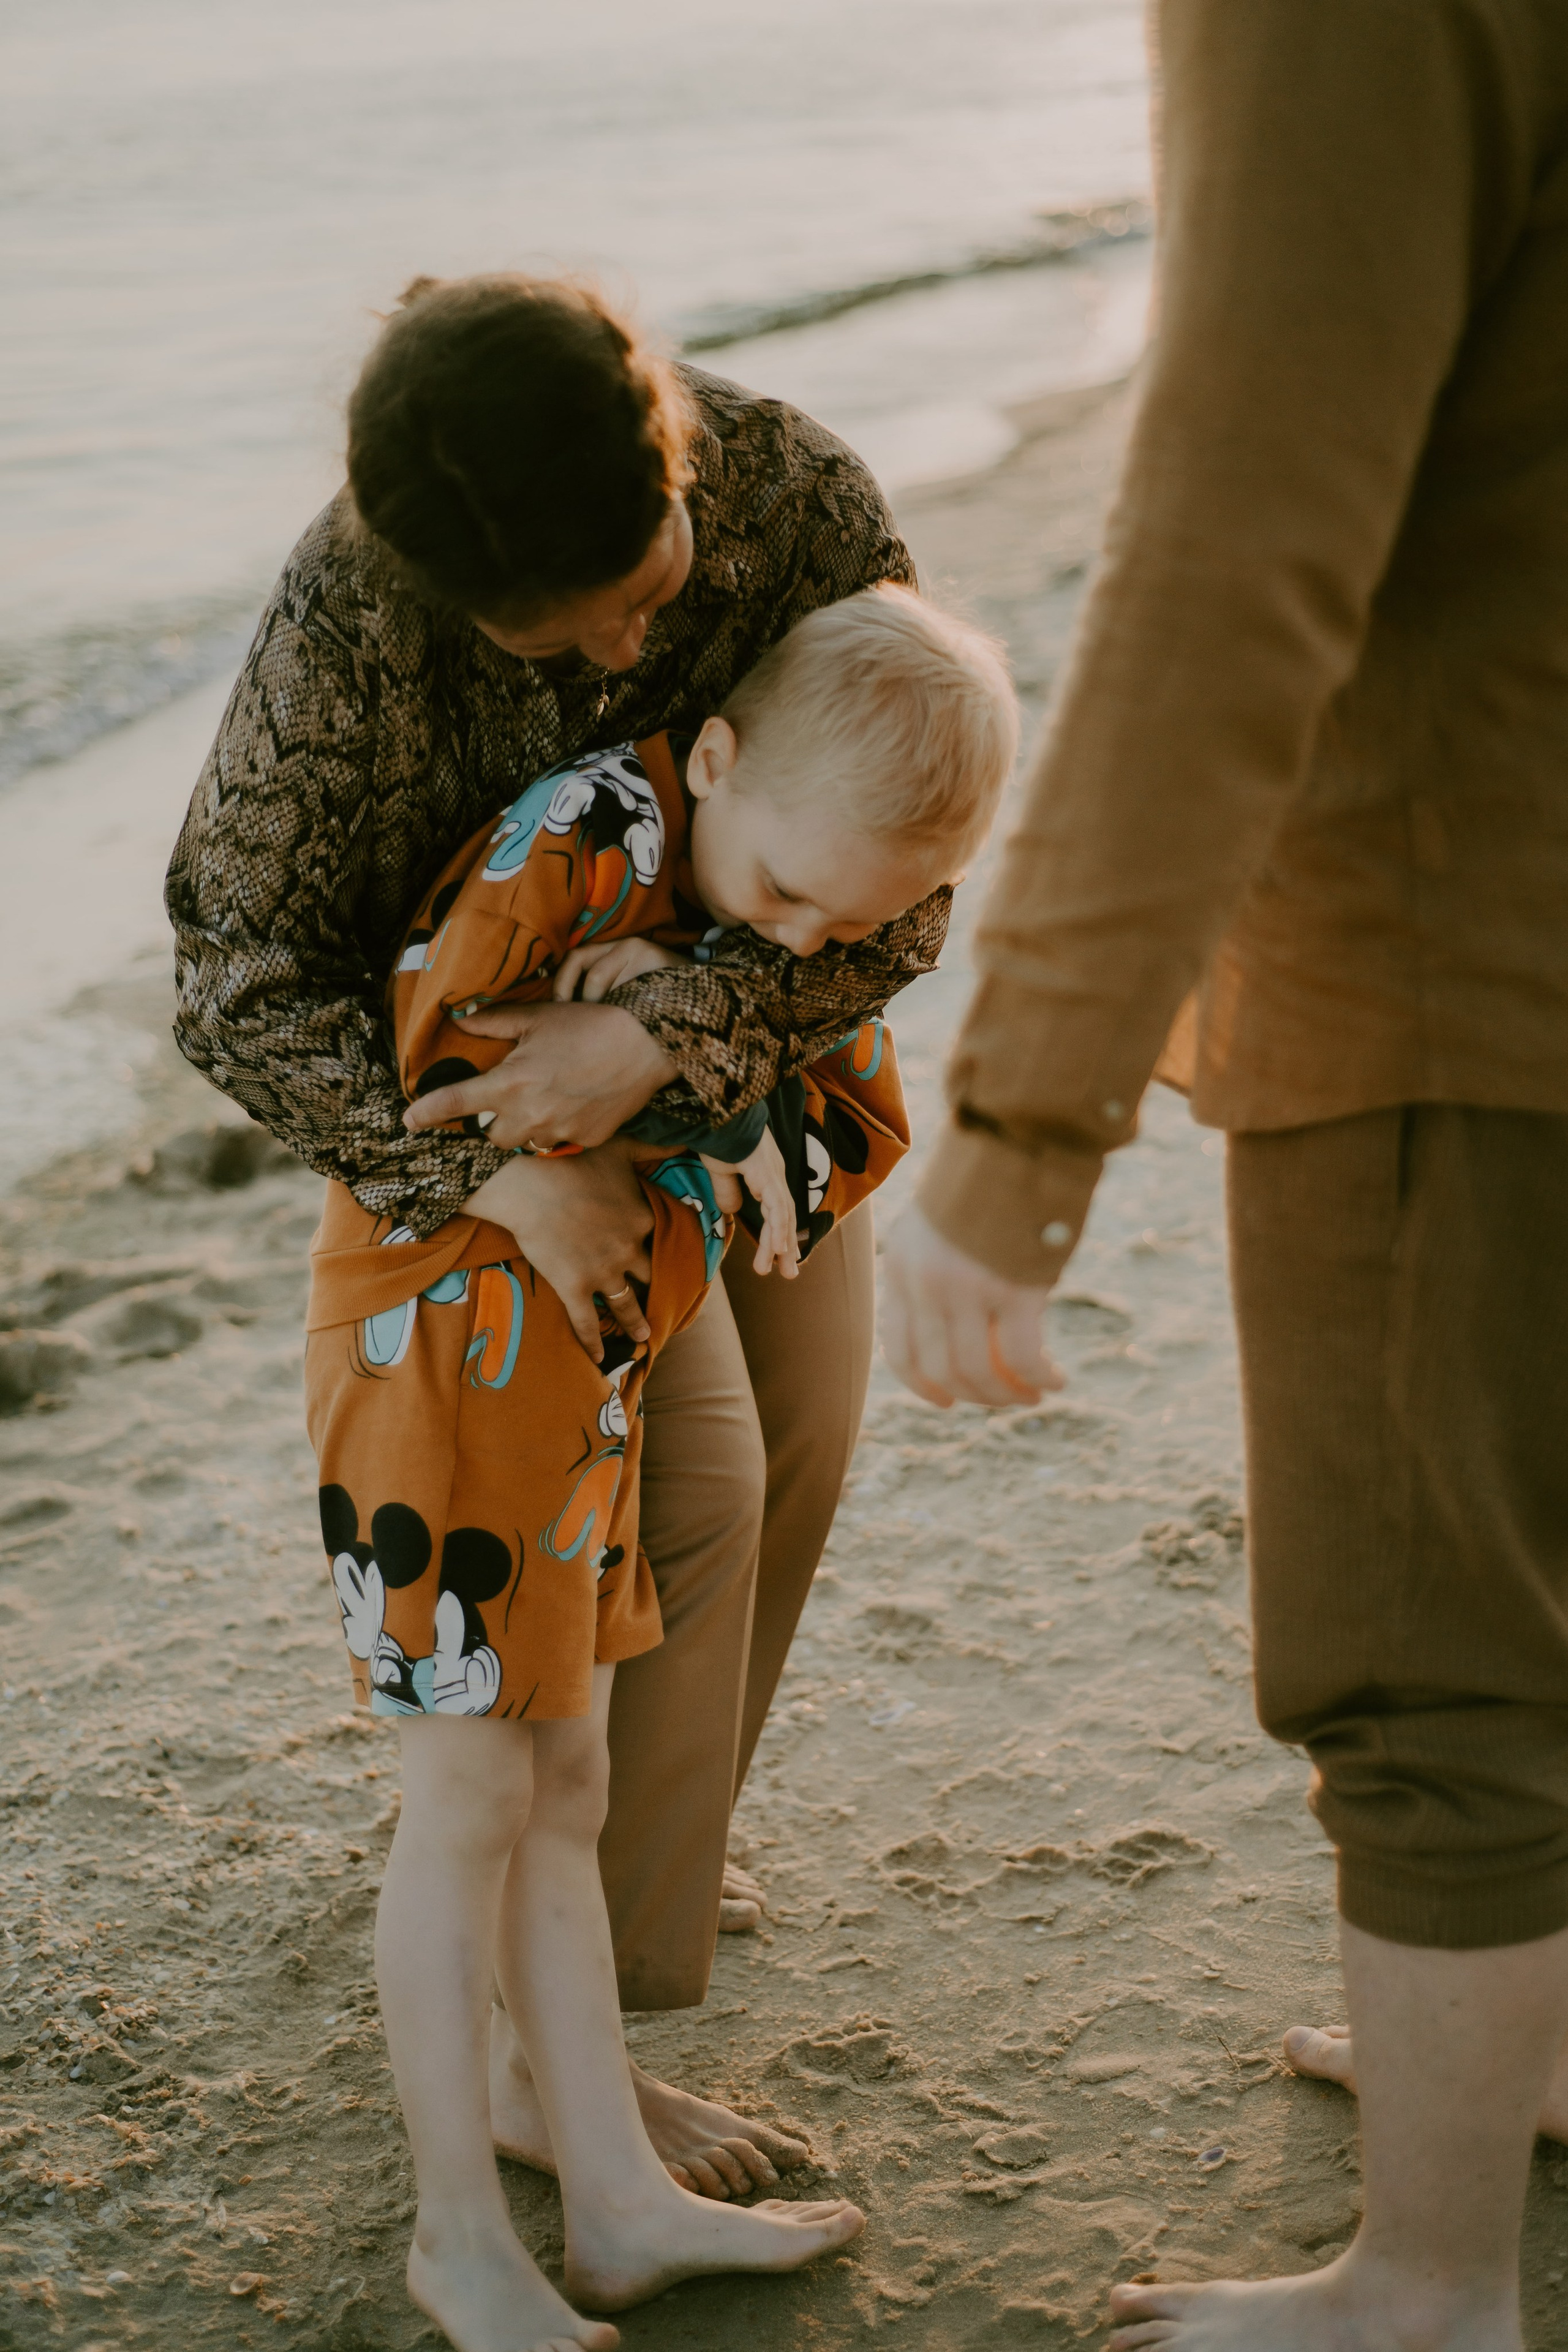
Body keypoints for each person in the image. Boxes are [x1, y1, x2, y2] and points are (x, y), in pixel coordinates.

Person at [877, 1, 1568, 2346]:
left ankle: (1432, 2284)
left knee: (1429, 1661)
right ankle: (1530, 2044)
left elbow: (1244, 529)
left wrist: (1021, 1111)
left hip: (1467, 910)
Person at [165, 270, 955, 2197]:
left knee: (802, 1453)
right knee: (690, 1500)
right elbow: (233, 982)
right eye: (560, 632)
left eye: (639, 580)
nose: (618, 637)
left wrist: (666, 1032)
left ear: (675, 451)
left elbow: (914, 880)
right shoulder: (355, 617)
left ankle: (620, 1911)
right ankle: (559, 2044)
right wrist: (506, 1164)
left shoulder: (804, 501)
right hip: (486, 1140)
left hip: (751, 1077)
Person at [302, 583, 1012, 2351]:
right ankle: (459, 2238)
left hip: (578, 1376)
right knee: (468, 1802)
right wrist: (620, 1013)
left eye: (830, 924)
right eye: (775, 898)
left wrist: (700, 1004)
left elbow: (827, 1096)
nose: (788, 939)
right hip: (443, 1363)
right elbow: (421, 1056)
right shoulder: (585, 833)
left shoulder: (749, 904)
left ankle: (612, 2198)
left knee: (568, 1790)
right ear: (712, 762)